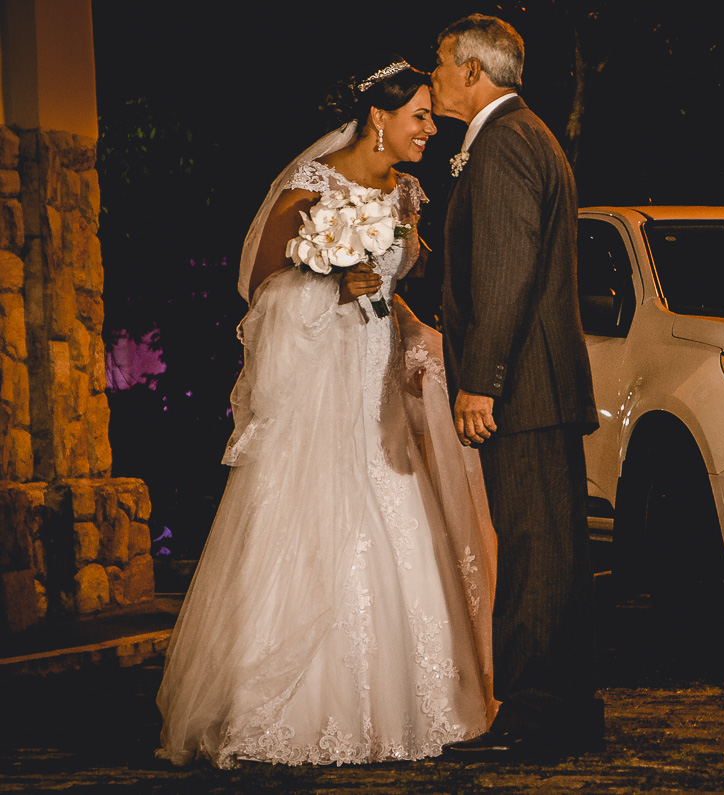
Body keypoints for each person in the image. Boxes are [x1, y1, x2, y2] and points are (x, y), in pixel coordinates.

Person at [155, 59, 498, 768]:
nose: (431, 129)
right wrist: (333, 281)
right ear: (382, 117)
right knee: (308, 517)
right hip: (320, 378)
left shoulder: (407, 192)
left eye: (433, 118)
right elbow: (260, 284)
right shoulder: (313, 184)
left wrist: (413, 318)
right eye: (421, 117)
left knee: (396, 510)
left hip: (377, 380)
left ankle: (402, 706)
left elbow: (402, 276)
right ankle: (278, 708)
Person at [431, 15, 602, 758]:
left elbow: (504, 275)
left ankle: (532, 715)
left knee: (534, 550)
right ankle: (568, 710)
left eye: (441, 64)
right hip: (545, 385)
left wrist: (480, 383)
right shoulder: (531, 135)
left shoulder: (501, 144)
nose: (433, 78)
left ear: (475, 72)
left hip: (522, 387)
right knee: (555, 553)